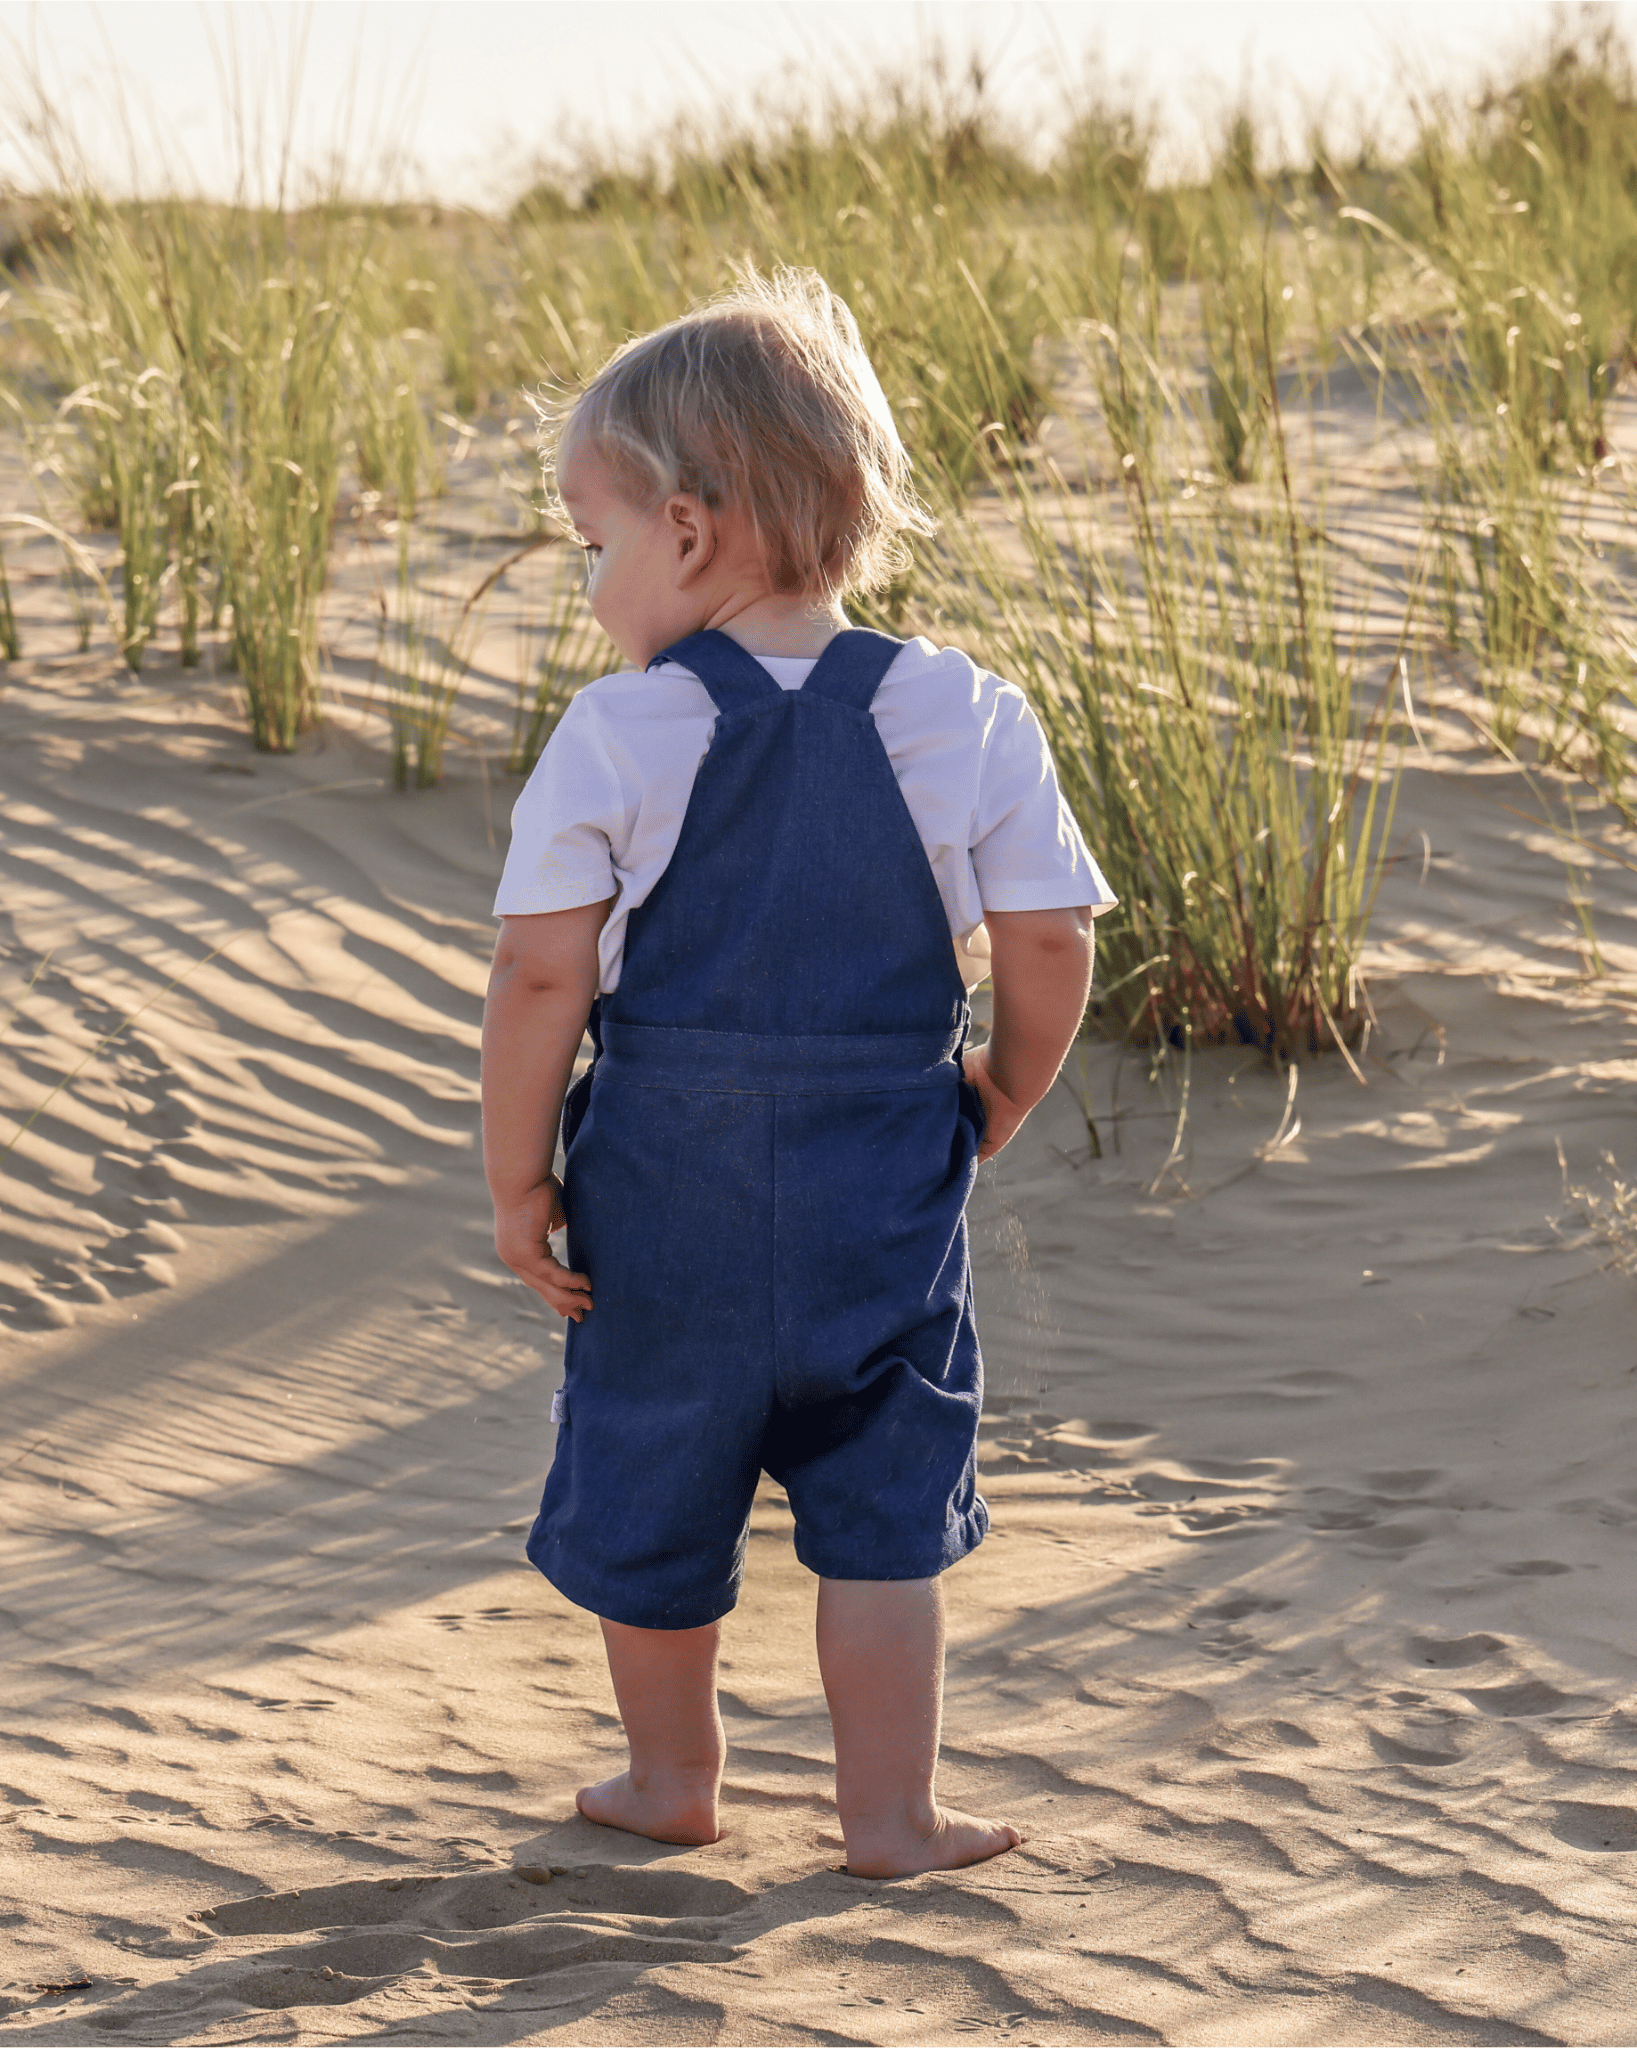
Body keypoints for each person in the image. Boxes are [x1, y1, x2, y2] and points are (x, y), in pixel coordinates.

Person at [482, 269, 1114, 1878]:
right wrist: (1006, 1092)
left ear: (685, 532)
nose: (593, 583)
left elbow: (542, 973)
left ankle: (670, 1779)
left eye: (594, 542)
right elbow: (1048, 945)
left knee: (652, 1467)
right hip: (884, 1168)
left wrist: (518, 1179)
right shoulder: (963, 712)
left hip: (664, 1183)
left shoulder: (619, 736)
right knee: (886, 1493)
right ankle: (891, 1814)